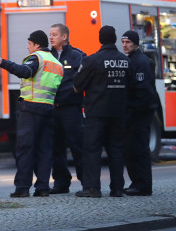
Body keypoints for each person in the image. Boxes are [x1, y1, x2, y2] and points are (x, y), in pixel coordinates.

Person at [0, 30, 63, 198]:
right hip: (48, 108)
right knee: (44, 150)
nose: (27, 47)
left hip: (31, 108)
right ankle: (43, 188)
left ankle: (22, 188)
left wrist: (3, 63)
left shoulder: (37, 57)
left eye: (29, 44)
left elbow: (25, 71)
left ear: (37, 45)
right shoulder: (56, 62)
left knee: (25, 149)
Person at [73, 26, 132, 198]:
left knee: (92, 149)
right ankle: (117, 188)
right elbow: (132, 86)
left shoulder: (92, 60)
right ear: (115, 39)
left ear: (100, 39)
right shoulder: (126, 61)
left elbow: (77, 87)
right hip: (119, 112)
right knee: (116, 150)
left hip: (97, 113)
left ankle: (92, 188)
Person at [48, 23, 86, 194]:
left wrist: (70, 91)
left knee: (78, 146)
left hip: (71, 109)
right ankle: (61, 183)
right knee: (56, 147)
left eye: (54, 34)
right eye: (50, 34)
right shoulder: (46, 57)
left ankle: (87, 182)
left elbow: (83, 78)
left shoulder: (77, 56)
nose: (51, 37)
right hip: (53, 108)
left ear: (64, 36)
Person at [121, 30, 157, 196]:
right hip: (134, 112)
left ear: (135, 43)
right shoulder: (132, 60)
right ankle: (137, 183)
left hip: (140, 113)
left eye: (128, 42)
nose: (125, 45)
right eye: (123, 42)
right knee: (131, 149)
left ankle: (143, 186)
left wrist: (130, 107)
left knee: (139, 150)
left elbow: (143, 92)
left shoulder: (141, 62)